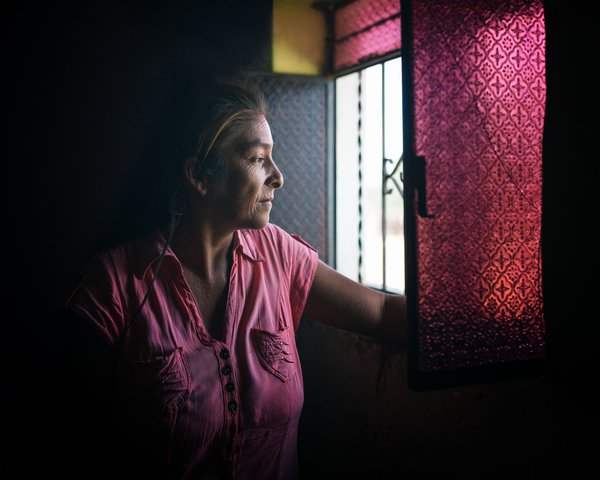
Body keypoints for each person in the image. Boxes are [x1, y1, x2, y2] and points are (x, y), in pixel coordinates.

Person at [55, 79, 406, 480]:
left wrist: (462, 320)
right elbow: (80, 450)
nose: (278, 177)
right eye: (257, 158)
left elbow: (381, 311)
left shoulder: (279, 255)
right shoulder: (112, 289)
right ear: (198, 176)